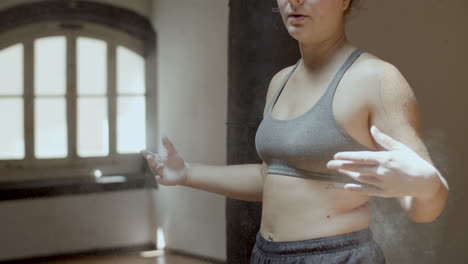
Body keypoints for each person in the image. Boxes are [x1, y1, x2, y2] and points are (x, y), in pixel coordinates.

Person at [141, 0, 449, 263]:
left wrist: (426, 185)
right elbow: (270, 177)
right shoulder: (280, 81)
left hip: (336, 256)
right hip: (266, 254)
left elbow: (425, 207)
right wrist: (187, 173)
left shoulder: (377, 79)